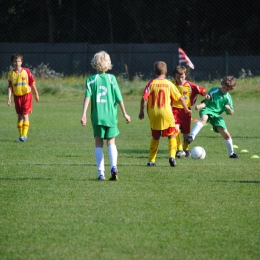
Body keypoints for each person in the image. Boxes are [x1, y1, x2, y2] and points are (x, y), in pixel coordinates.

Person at [81, 51, 131, 181]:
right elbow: (119, 97)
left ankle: (100, 173)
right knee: (111, 142)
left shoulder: (91, 80)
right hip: (110, 116)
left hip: (97, 116)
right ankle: (113, 167)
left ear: (94, 63)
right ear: (108, 64)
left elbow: (87, 97)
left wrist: (84, 114)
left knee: (98, 143)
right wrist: (125, 113)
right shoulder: (111, 79)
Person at [138, 61, 192, 167]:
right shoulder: (169, 84)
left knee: (155, 136)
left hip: (153, 113)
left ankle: (151, 161)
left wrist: (141, 111)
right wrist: (186, 109)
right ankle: (172, 156)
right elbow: (180, 98)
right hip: (166, 112)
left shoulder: (151, 83)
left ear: (154, 72)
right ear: (166, 72)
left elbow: (144, 98)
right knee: (171, 135)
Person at [187, 76, 239, 158]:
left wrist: (229, 109)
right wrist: (200, 106)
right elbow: (206, 102)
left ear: (230, 89)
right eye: (223, 87)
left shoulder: (228, 98)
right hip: (207, 109)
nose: (224, 90)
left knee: (226, 135)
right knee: (204, 118)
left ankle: (231, 153)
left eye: (227, 89)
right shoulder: (214, 90)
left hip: (216, 115)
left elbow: (231, 112)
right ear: (222, 84)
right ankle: (191, 136)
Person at [171, 65, 210, 158]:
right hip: (174, 110)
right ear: (174, 76)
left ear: (186, 75)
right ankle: (179, 149)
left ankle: (186, 149)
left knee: (186, 133)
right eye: (178, 77)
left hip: (186, 111)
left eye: (182, 77)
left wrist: (205, 95)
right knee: (175, 129)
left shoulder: (189, 85)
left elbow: (201, 89)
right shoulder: (171, 84)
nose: (180, 79)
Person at [7, 53, 39, 142]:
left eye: (19, 61)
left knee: (25, 114)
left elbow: (32, 82)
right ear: (12, 62)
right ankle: (21, 136)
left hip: (27, 95)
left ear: (22, 62)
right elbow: (10, 87)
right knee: (19, 116)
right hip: (17, 97)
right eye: (15, 61)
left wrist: (36, 93)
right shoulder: (10, 74)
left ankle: (24, 136)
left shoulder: (26, 71)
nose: (17, 63)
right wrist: (9, 98)